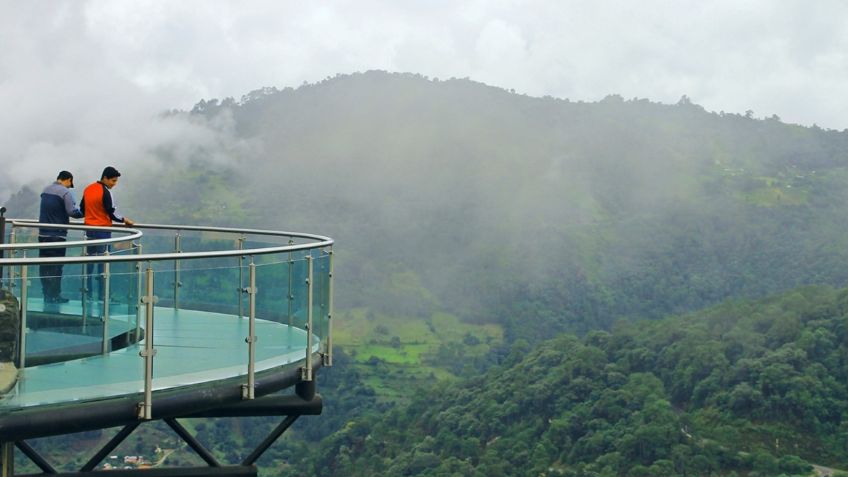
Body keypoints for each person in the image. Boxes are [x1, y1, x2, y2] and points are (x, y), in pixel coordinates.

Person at [80, 166, 135, 300]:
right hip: (103, 230)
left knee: (89, 262)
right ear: (105, 178)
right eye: (113, 181)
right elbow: (111, 212)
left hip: (89, 229)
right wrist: (124, 220)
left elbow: (82, 209)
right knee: (103, 264)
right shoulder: (105, 192)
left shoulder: (89, 189)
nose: (114, 184)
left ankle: (87, 294)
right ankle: (103, 296)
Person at [38, 171, 83, 303]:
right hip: (57, 235)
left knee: (44, 266)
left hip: (43, 234)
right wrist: (84, 211)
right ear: (68, 180)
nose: (69, 186)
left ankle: (46, 295)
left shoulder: (45, 190)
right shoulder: (65, 192)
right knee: (57, 266)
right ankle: (55, 295)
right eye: (70, 183)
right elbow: (72, 212)